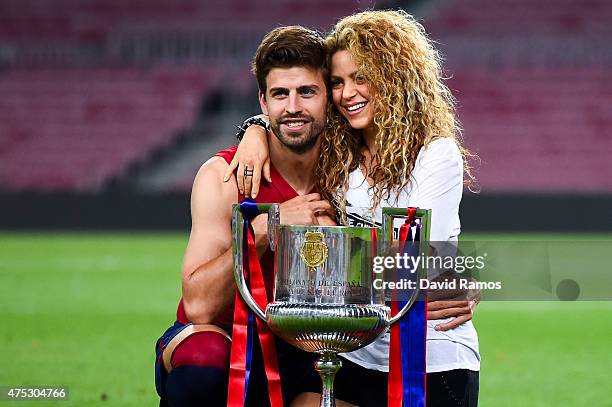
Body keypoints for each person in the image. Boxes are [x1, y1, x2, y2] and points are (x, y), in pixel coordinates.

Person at [226, 10, 480, 407]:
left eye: (361, 77)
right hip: (355, 352)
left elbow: (418, 261)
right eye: (338, 83)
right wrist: (254, 131)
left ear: (395, 77)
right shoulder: (339, 150)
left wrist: (461, 271)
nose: (347, 94)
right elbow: (290, 116)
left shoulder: (436, 154)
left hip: (430, 356)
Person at [154, 25, 338, 407]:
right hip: (228, 340)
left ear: (328, 99)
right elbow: (199, 306)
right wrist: (268, 229)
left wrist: (455, 280)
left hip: (311, 352)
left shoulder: (350, 177)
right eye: (279, 94)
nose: (292, 107)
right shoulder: (223, 176)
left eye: (307, 92)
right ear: (263, 101)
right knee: (202, 361)